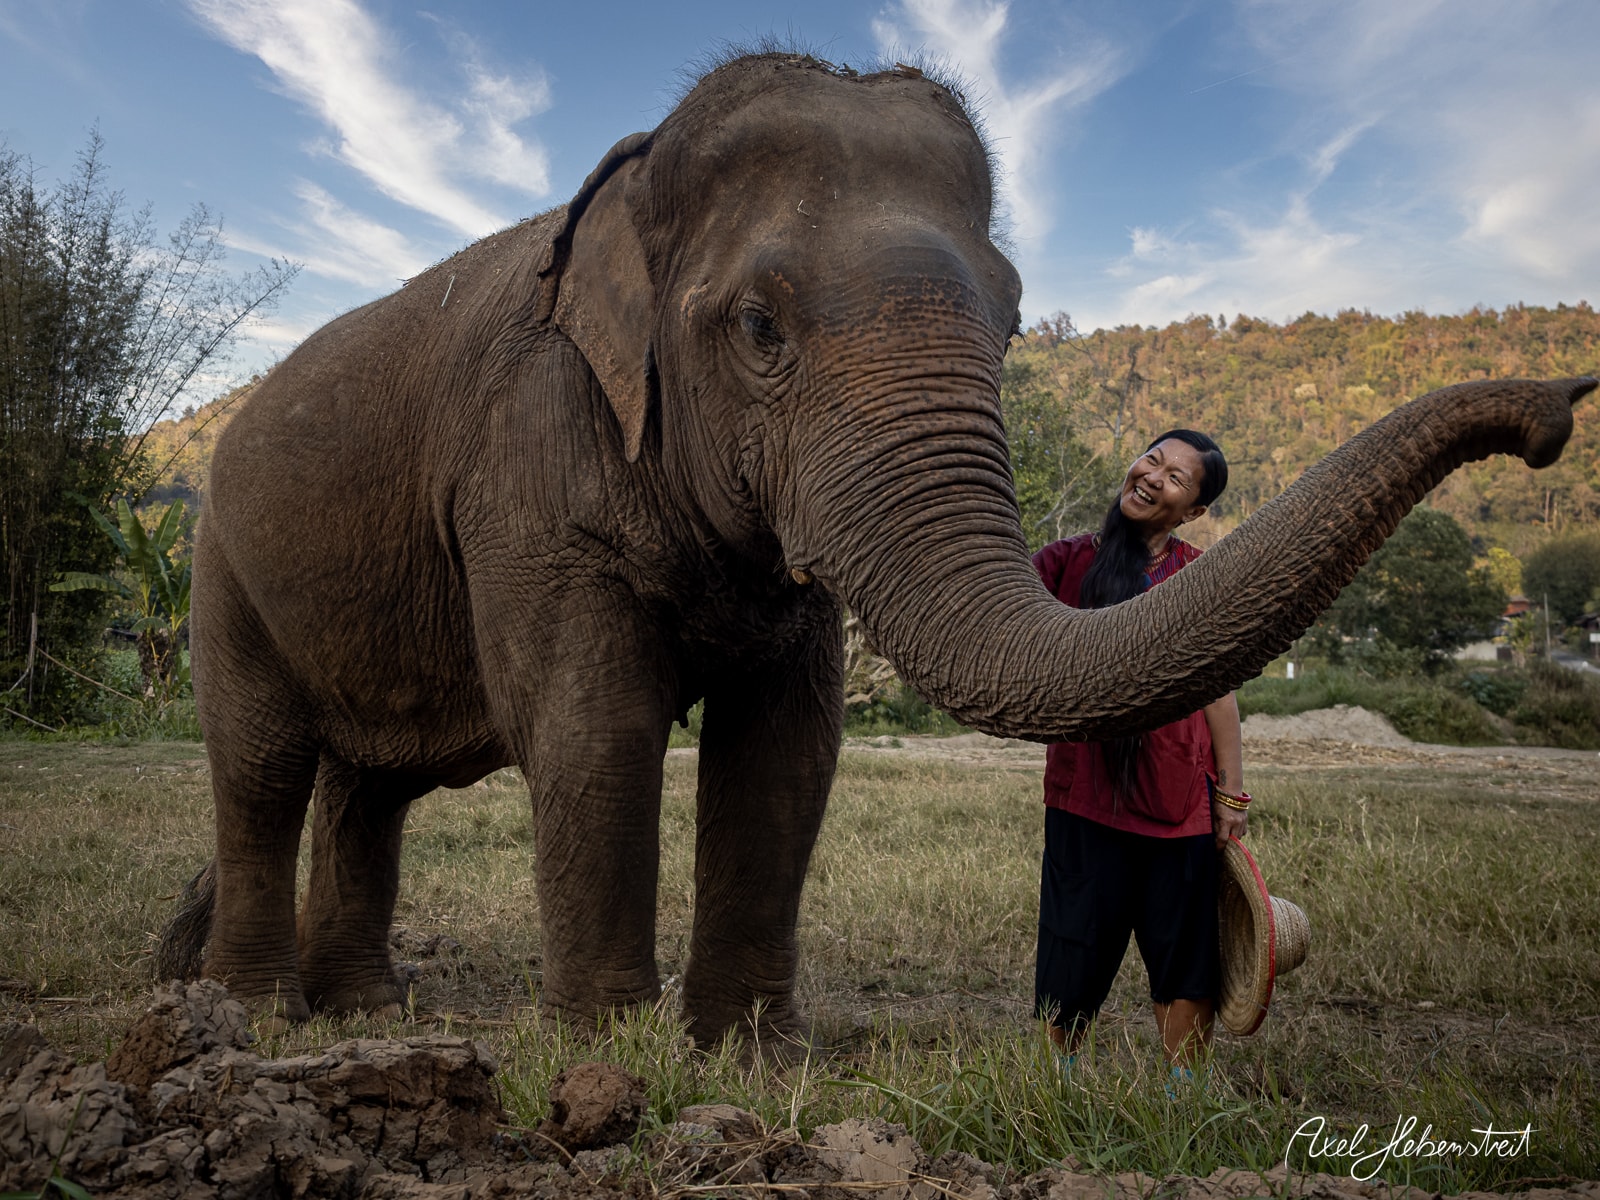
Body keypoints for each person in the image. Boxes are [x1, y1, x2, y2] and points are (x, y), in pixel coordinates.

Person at [1032, 429, 1249, 1071]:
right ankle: (1057, 1088)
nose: (1154, 476)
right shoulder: (1064, 562)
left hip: (1177, 801)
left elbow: (1219, 694)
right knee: (1072, 950)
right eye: (1152, 460)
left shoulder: (1199, 575)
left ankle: (1183, 1097)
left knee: (1184, 957)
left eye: (1176, 478)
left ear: (1193, 511)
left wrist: (1231, 795)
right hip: (1083, 796)